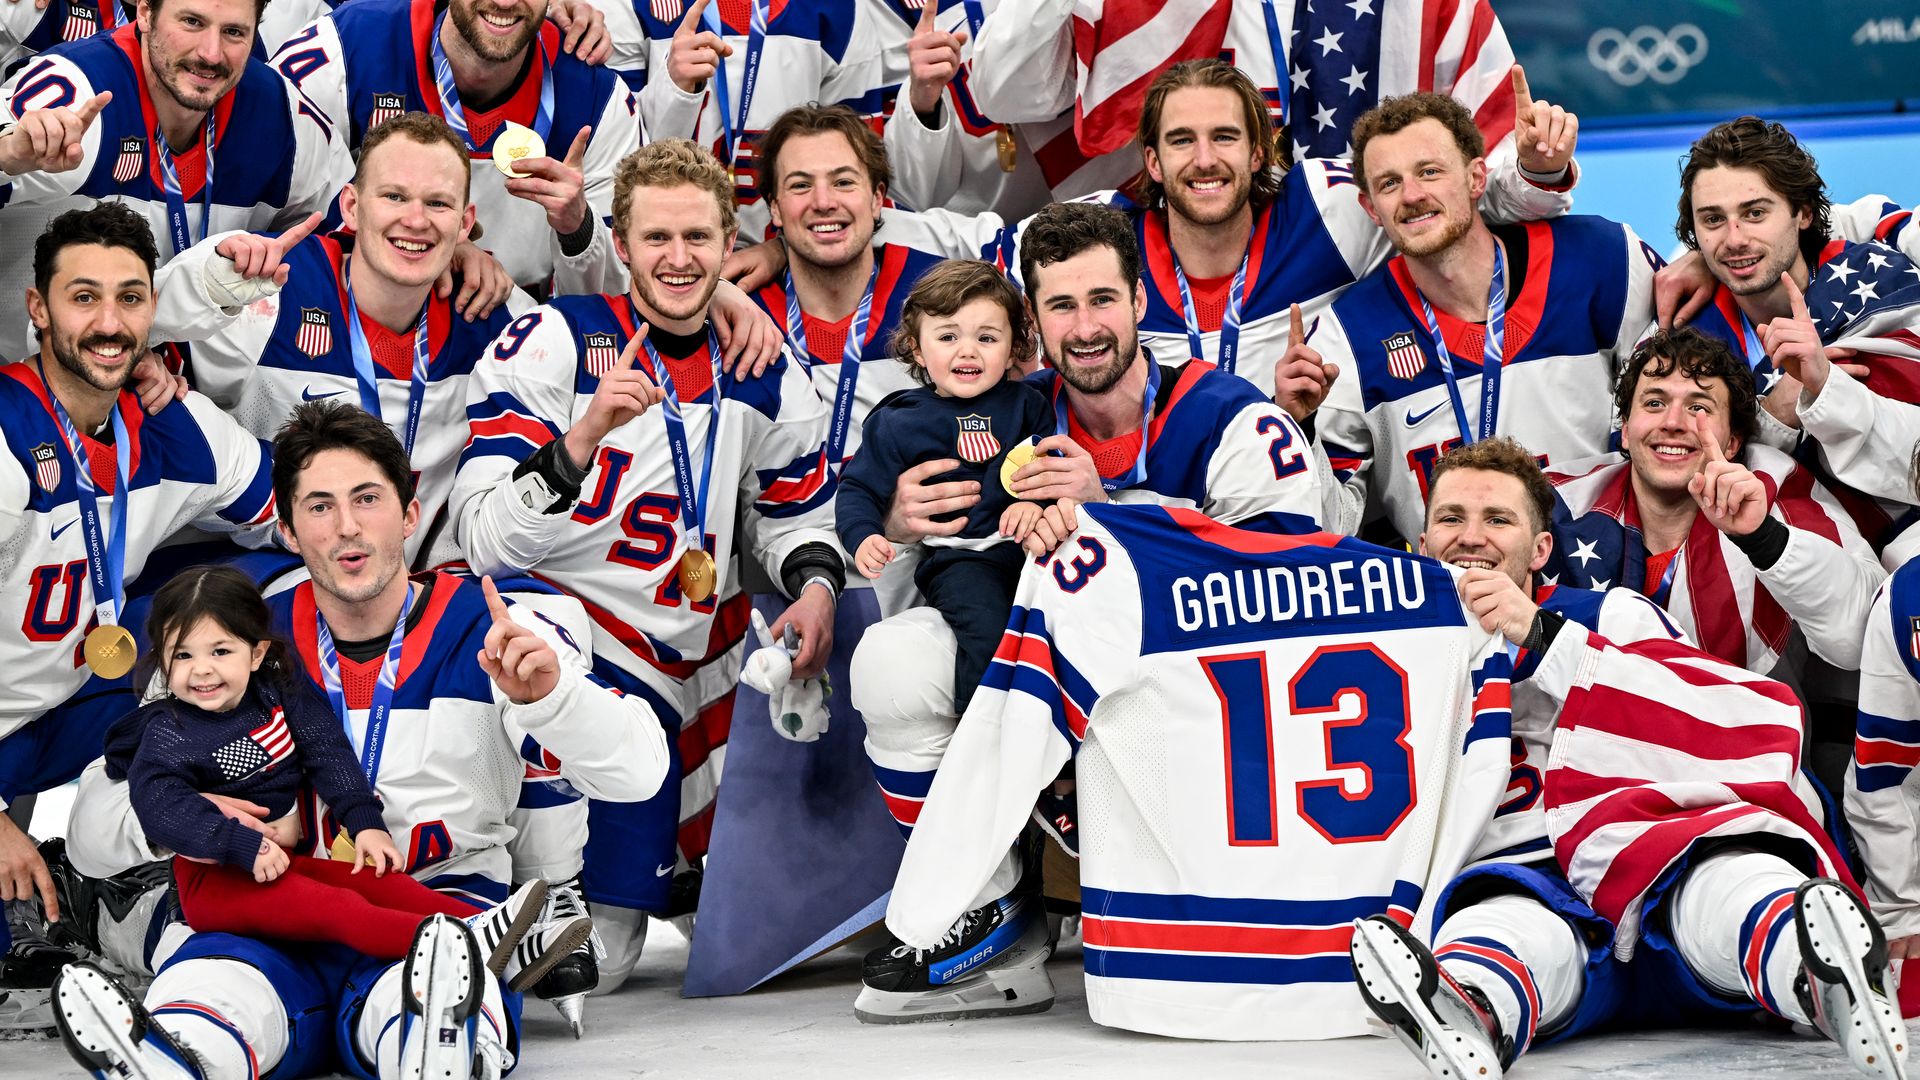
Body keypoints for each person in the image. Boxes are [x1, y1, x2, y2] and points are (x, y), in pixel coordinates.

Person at [58, 399, 673, 1079]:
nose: (347, 527)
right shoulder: (229, 645)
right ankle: (171, 1060)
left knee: (432, 999)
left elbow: (640, 771)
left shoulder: (497, 626)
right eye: (319, 507)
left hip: (435, 903)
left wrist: (555, 699)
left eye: (367, 499)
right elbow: (91, 829)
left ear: (409, 513)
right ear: (289, 530)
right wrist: (174, 823)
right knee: (210, 997)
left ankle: (437, 1039)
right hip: (268, 905)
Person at [847, 198, 1326, 1018]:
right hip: (1061, 678)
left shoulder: (1230, 415)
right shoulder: (1007, 412)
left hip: (1207, 709)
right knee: (891, 664)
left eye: (1103, 299)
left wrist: (1110, 515)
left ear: (1142, 301)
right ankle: (990, 909)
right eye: (1062, 305)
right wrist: (895, 521)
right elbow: (919, 564)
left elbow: (1287, 593)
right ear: (1033, 320)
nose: (1087, 325)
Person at [1351, 437, 1904, 1080]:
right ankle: (1471, 1010)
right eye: (1450, 519)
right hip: (1523, 871)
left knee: (1731, 888)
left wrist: (1546, 639)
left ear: (1540, 550)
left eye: (1496, 519)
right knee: (1500, 930)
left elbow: (1720, 713)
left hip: (1656, 852)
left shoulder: (1609, 612)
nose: (1470, 537)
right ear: (1419, 544)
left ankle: (1815, 972)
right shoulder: (1385, 654)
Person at [876, 499, 1517, 1037]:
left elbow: (1010, 727)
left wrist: (927, 899)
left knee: (893, 670)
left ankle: (973, 917)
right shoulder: (1452, 601)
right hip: (1366, 964)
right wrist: (1431, 915)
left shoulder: (1113, 564)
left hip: (1165, 969)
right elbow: (1482, 775)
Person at [450, 137, 846, 991]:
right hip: (577, 633)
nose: (678, 258)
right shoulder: (555, 340)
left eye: (699, 239)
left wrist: (815, 583)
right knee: (598, 948)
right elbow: (482, 541)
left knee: (632, 955)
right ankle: (509, 899)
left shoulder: (759, 363)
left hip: (683, 655)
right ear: (619, 245)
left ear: (726, 242)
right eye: (656, 239)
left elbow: (793, 510)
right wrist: (579, 440)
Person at [750, 58, 1577, 402]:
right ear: (1148, 157)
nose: (1205, 160)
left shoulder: (1329, 205)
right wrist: (784, 235)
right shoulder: (1099, 233)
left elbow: (1456, 210)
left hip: (1308, 494)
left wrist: (1534, 173)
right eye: (1181, 141)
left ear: (1261, 148)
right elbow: (959, 240)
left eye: (1225, 138)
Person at [0, 202, 278, 965]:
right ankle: (70, 885)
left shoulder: (165, 420)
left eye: (130, 297)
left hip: (82, 693)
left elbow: (298, 522)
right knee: (14, 938)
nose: (109, 323)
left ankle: (144, 862)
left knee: (276, 597)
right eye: (83, 297)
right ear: (38, 308)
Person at [115, 564, 583, 984]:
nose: (202, 671)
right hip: (217, 880)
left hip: (280, 863)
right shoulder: (170, 731)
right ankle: (466, 950)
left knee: (380, 884)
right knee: (339, 909)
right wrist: (238, 842)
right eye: (182, 656)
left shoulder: (275, 693)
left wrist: (365, 823)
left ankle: (505, 941)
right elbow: (160, 807)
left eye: (220, 651)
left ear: (255, 654)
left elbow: (327, 752)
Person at [1297, 91, 1661, 545]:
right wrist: (1302, 427)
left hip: (1610, 586)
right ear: (1371, 209)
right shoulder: (1343, 338)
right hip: (1457, 601)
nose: (1412, 195)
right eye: (1389, 184)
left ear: (1475, 178)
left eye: (1430, 172)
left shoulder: (1602, 260)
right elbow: (1330, 524)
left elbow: (1693, 401)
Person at [0, 0, 354, 360]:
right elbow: (11, 142)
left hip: (155, 381)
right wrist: (7, 155)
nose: (211, 54)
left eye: (233, 32)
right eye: (192, 22)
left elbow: (355, 235)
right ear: (144, 13)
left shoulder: (283, 117)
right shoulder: (78, 89)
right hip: (25, 378)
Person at [953, 0, 1545, 213]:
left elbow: (1488, 178)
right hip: (1175, 298)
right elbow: (1001, 90)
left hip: (1370, 294)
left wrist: (1535, 175)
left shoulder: (1425, 5)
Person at [1544, 327, 1883, 687]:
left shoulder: (1775, 490)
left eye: (1698, 407)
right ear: (1625, 430)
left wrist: (1764, 540)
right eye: (1654, 403)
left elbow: (1861, 634)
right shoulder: (1556, 503)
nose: (1672, 423)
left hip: (1748, 737)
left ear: (1734, 441)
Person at [268, 0, 640, 298]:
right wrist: (434, 245)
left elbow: (616, 301)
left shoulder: (598, 96)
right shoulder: (348, 44)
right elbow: (271, 223)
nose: (505, 2)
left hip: (517, 345)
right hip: (346, 323)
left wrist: (577, 228)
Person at [837, 259, 1052, 715]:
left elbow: (1050, 468)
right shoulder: (899, 421)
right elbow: (858, 490)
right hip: (960, 560)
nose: (967, 351)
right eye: (948, 336)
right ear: (917, 349)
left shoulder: (1031, 405)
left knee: (1061, 637)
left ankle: (1059, 755)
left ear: (1015, 346)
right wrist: (866, 536)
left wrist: (1038, 505)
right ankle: (983, 738)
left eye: (987, 338)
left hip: (1036, 555)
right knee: (990, 633)